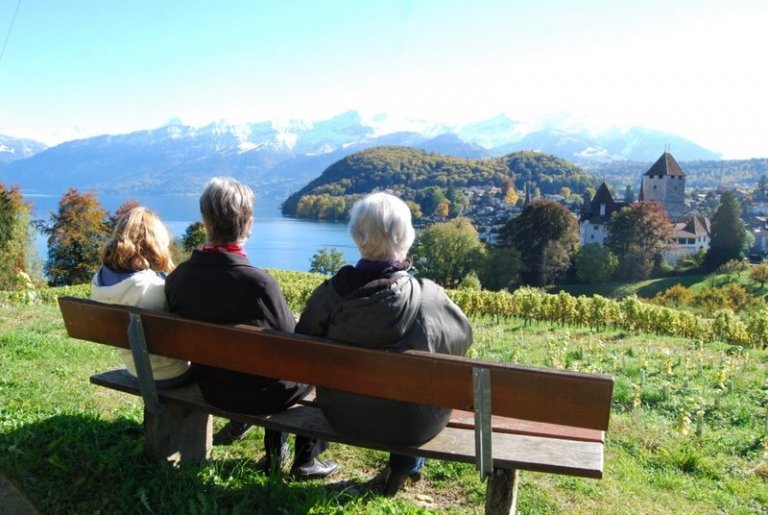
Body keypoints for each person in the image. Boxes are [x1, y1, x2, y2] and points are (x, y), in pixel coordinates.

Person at [295, 192, 473, 495]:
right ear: (406, 237)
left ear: (356, 236)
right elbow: (463, 339)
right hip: (410, 426)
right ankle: (405, 467)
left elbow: (301, 345)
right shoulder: (428, 296)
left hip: (342, 416)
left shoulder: (331, 294)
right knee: (418, 386)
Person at [164, 177, 336, 479]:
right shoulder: (259, 284)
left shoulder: (179, 277)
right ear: (249, 224)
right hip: (259, 396)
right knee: (315, 366)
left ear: (205, 220)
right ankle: (305, 459)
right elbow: (292, 345)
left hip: (211, 387)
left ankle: (270, 448)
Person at [91, 206, 193, 388]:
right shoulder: (152, 288)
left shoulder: (99, 281)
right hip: (171, 372)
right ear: (155, 242)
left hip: (135, 369)